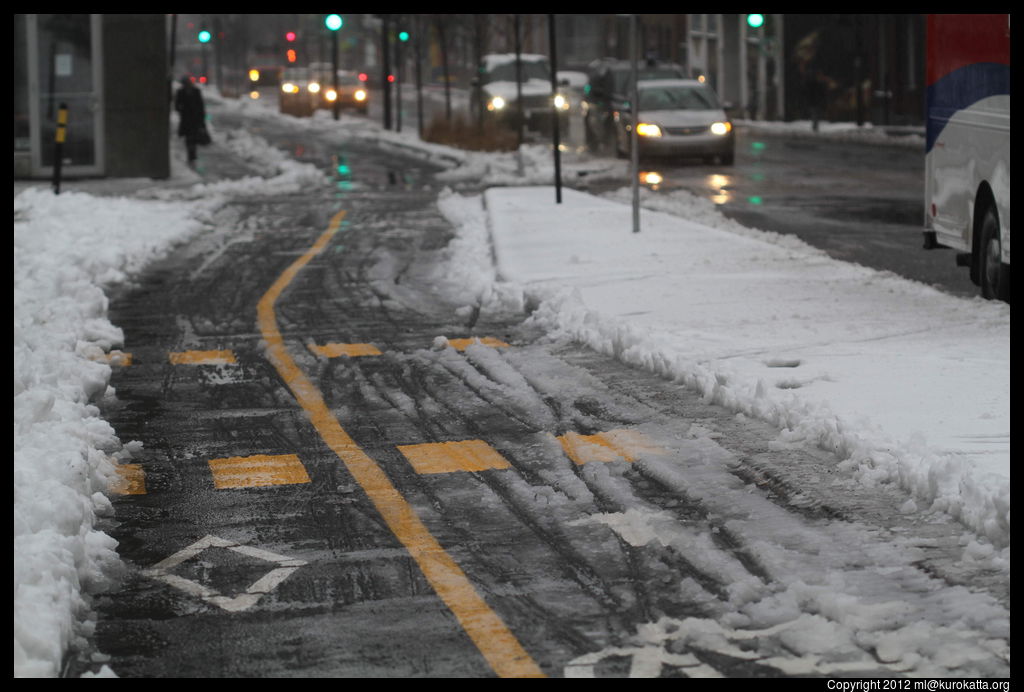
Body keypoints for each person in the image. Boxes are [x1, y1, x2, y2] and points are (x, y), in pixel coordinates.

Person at [174, 76, 206, 166]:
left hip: (191, 120)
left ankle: (192, 155)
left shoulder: (193, 92)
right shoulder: (183, 92)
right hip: (189, 120)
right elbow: (177, 106)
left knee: (191, 138)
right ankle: (191, 155)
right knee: (190, 138)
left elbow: (200, 106)